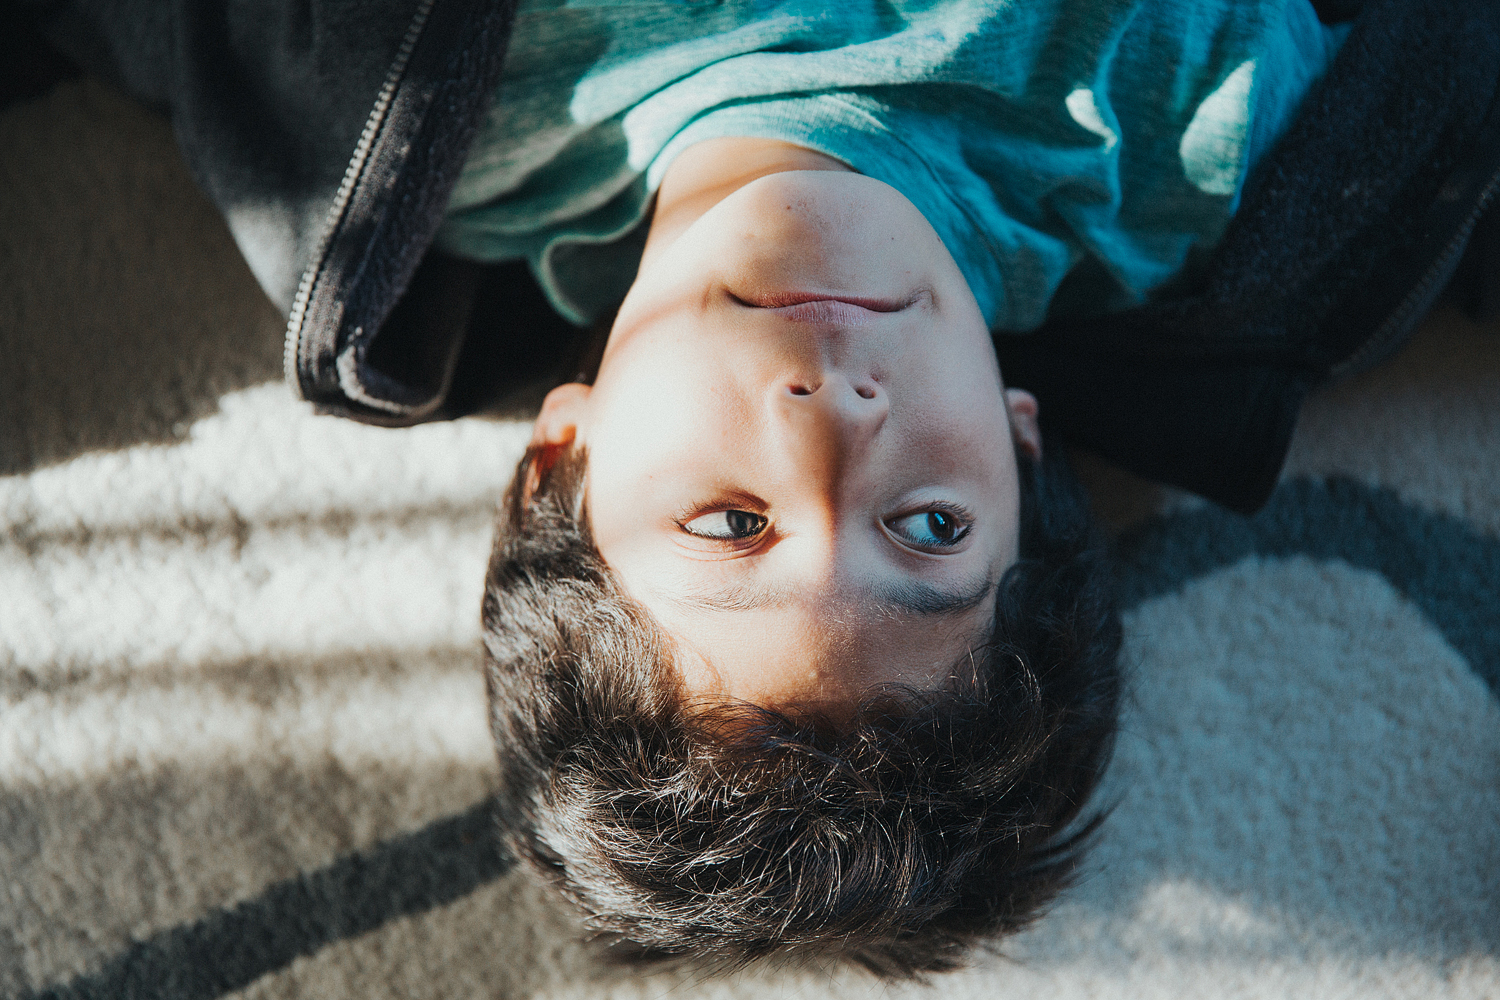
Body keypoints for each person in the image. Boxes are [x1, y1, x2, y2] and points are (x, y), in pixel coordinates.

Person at [26, 0, 1500, 977]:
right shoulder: (1203, 153)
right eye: (929, 527)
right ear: (1022, 440)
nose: (828, 428)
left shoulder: (425, 132)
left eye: (730, 524)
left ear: (568, 452)